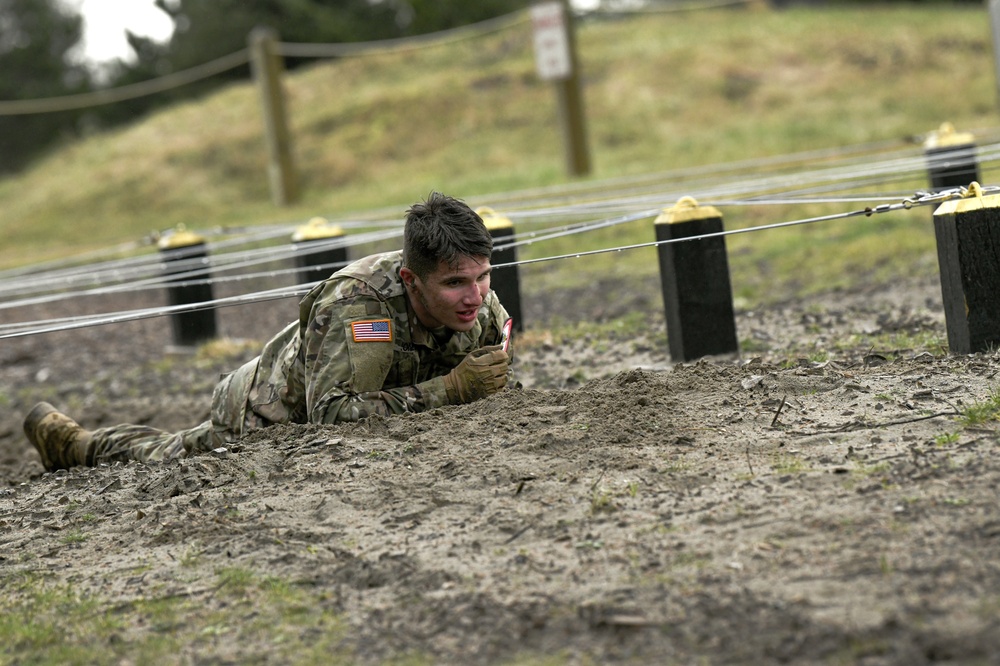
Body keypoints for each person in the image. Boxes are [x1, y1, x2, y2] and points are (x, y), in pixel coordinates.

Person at [24, 192, 513, 472]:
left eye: (483, 276)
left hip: (341, 400)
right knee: (168, 454)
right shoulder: (358, 306)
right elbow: (332, 416)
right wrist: (449, 390)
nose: (475, 295)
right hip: (266, 412)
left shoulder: (482, 304)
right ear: (412, 280)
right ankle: (75, 446)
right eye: (454, 283)